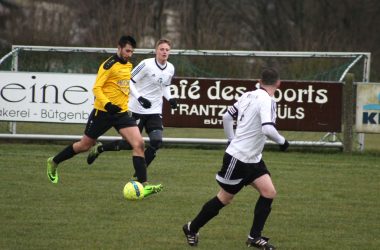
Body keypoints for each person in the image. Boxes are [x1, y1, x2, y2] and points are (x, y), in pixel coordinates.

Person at [182, 68, 289, 249]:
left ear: (259, 80)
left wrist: (231, 139)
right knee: (225, 198)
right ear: (279, 83)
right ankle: (191, 228)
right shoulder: (268, 100)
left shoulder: (248, 95)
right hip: (238, 159)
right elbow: (268, 129)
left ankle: (254, 237)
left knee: (269, 192)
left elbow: (226, 117)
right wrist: (283, 141)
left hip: (253, 158)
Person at [46, 35, 162, 197]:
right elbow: (97, 88)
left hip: (121, 114)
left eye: (131, 52)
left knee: (139, 144)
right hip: (103, 113)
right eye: (127, 50)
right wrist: (107, 104)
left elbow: (125, 84)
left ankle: (144, 185)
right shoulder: (108, 65)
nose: (129, 54)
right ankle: (54, 161)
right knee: (84, 145)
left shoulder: (128, 65)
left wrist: (137, 98)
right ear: (119, 48)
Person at [86, 39, 177, 175]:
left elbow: (164, 86)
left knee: (157, 141)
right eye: (161, 49)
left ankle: (139, 174)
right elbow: (129, 81)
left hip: (155, 110)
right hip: (137, 109)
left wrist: (170, 99)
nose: (164, 52)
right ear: (156, 51)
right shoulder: (146, 64)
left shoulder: (170, 68)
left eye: (167, 50)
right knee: (129, 144)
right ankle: (100, 148)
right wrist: (139, 98)